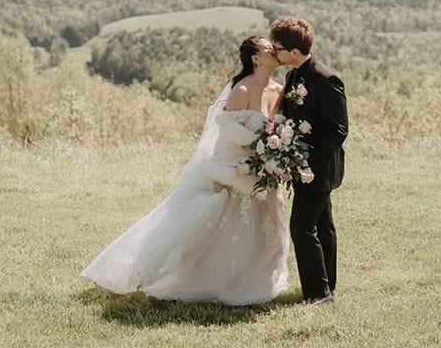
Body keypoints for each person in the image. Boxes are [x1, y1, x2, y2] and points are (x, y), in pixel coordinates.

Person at [81, 36, 290, 305]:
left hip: (263, 171)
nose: (274, 50)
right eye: (267, 48)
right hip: (234, 167)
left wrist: (272, 156)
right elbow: (226, 134)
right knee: (222, 229)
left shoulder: (279, 89)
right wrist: (220, 173)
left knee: (267, 228)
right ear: (255, 58)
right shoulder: (242, 89)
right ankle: (214, 281)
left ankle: (258, 280)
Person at [269, 16, 348, 305]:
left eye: (277, 48)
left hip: (318, 168)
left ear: (293, 51)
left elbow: (338, 131)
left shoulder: (327, 80)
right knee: (322, 225)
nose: (273, 52)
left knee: (302, 228)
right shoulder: (292, 76)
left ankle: (318, 294)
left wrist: (304, 161)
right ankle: (328, 286)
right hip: (299, 164)